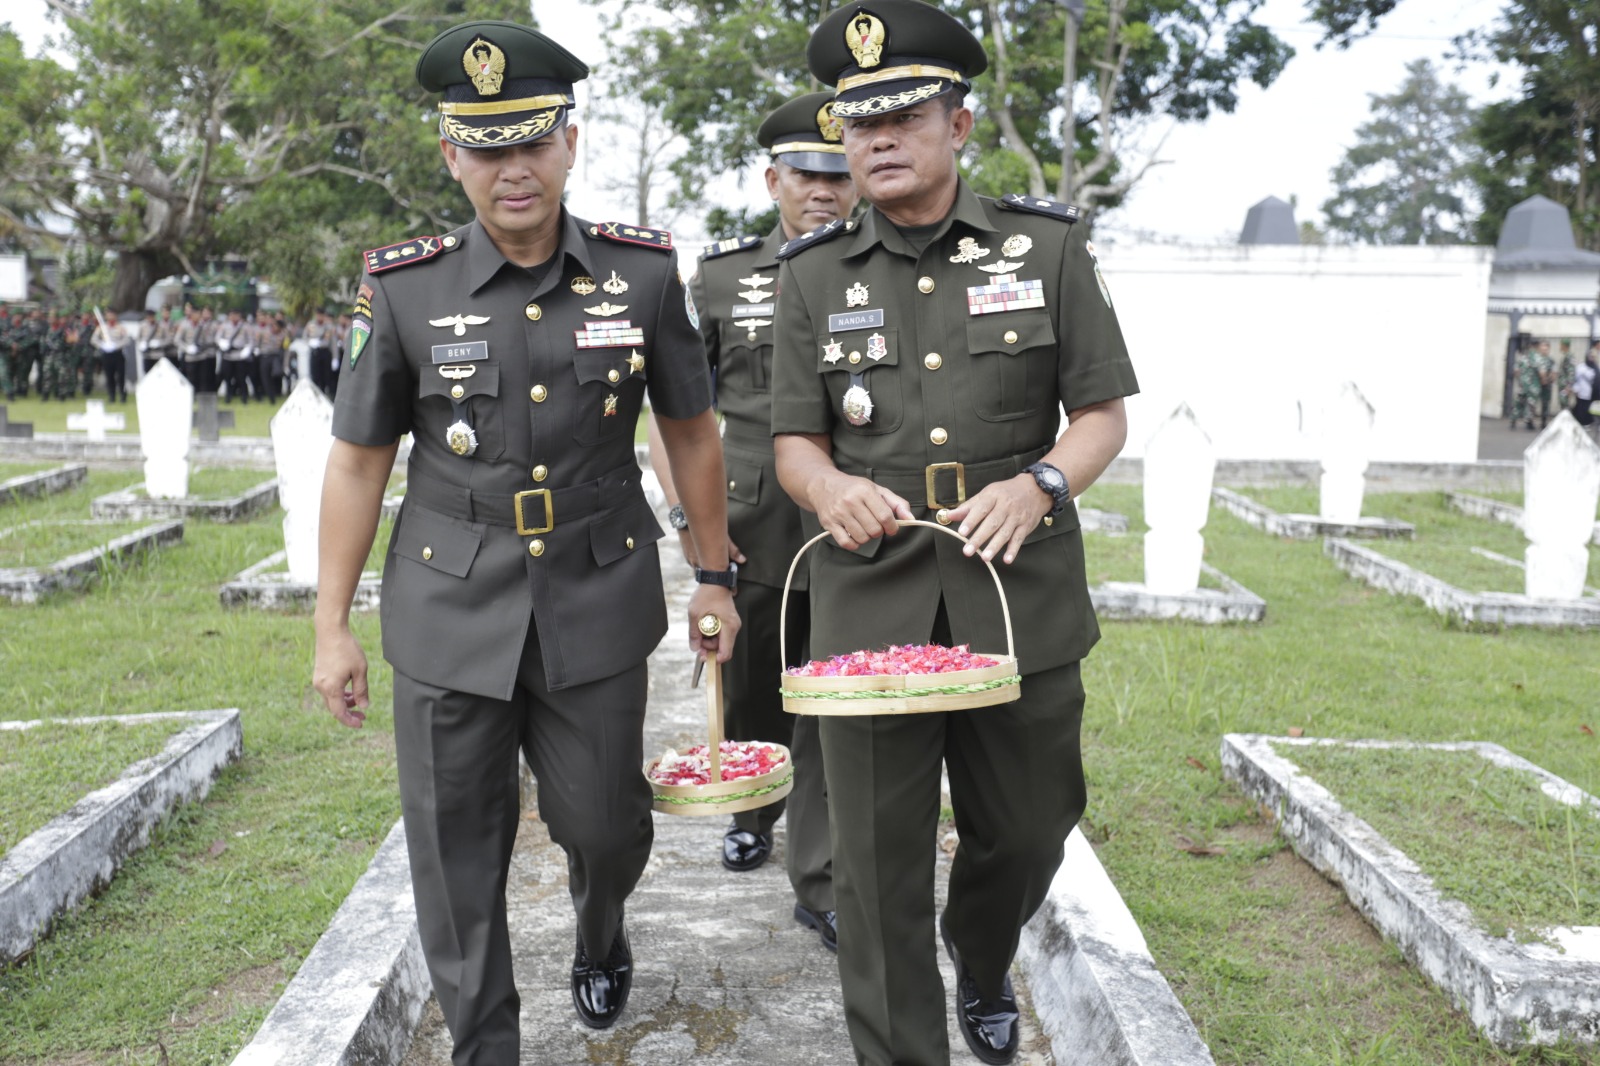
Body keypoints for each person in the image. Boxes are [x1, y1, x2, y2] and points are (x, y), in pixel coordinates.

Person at [310, 19, 740, 1060]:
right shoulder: (404, 287)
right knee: (456, 850)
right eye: (486, 146)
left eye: (532, 141)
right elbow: (360, 459)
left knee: (606, 824)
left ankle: (601, 927)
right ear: (449, 154)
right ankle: (485, 1041)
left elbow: (688, 431)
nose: (513, 168)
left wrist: (717, 574)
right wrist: (330, 624)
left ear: (570, 145)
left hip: (596, 594)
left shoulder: (639, 276)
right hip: (448, 604)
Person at [771, 4, 1139, 1063]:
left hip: (1014, 584)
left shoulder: (1049, 248)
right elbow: (792, 443)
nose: (877, 141)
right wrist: (828, 487)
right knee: (872, 863)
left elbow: (1102, 415)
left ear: (959, 124)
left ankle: (980, 950)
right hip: (868, 586)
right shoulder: (811, 274)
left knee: (1030, 824)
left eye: (904, 117)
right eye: (858, 124)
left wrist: (1039, 484)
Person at [647, 92, 858, 946]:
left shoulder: (875, 266)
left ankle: (820, 878)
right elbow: (673, 413)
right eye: (807, 172)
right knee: (760, 688)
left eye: (839, 176)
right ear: (773, 179)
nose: (824, 190)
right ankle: (754, 813)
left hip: (853, 515)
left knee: (835, 703)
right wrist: (689, 524)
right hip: (751, 521)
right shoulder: (726, 277)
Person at [91, 309, 131, 403]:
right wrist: (103, 345)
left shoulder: (121, 327)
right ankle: (111, 396)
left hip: (118, 353)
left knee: (121, 376)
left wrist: (116, 346)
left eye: (112, 315)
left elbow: (126, 340)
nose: (110, 317)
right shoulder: (102, 327)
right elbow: (93, 339)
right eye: (108, 315)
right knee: (109, 377)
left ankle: (122, 395)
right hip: (107, 354)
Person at [304, 307, 337, 396]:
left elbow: (333, 343)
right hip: (314, 353)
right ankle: (315, 395)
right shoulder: (310, 325)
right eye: (318, 315)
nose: (319, 317)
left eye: (321, 315)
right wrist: (310, 342)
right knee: (314, 375)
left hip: (325, 352)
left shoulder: (329, 326)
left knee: (326, 376)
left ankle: (324, 394)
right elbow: (305, 337)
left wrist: (335, 358)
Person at [1575, 341, 1598, 430]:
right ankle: (1583, 423)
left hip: (1592, 393)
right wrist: (1576, 389)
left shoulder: (1595, 368)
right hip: (1581, 392)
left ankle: (1589, 422)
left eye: (1593, 357)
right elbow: (1576, 379)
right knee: (1581, 408)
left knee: (1589, 408)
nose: (1591, 358)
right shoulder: (1580, 367)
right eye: (1590, 357)